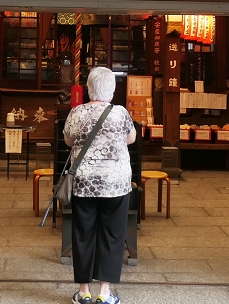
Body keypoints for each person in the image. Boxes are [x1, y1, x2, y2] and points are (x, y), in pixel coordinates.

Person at [63, 66, 137, 304]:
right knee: (113, 235)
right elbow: (131, 138)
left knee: (83, 234)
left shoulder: (77, 112)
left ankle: (84, 291)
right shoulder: (121, 113)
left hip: (84, 183)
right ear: (112, 90)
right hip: (116, 184)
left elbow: (68, 140)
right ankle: (104, 293)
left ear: (88, 89)